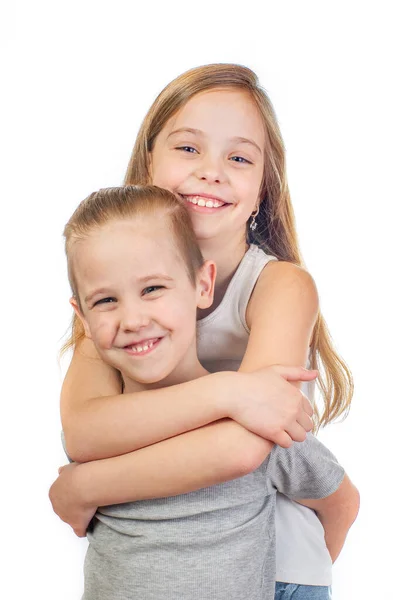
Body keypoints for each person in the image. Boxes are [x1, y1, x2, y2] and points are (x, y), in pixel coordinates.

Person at [52, 64, 355, 598]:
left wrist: (85, 485)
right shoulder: (117, 302)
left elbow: (243, 449)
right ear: (150, 162)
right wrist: (231, 391)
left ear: (263, 189)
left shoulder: (279, 285)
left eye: (238, 158)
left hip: (279, 566)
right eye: (188, 148)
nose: (211, 171)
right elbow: (86, 431)